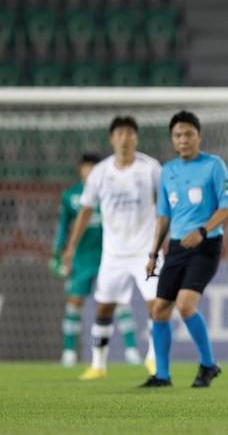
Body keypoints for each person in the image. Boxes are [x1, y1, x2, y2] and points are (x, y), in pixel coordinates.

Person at [141, 111, 228, 388]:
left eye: (188, 134)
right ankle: (162, 375)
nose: (183, 140)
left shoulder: (214, 165)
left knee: (184, 305)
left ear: (199, 136)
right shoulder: (167, 171)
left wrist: (203, 231)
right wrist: (152, 254)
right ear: (173, 140)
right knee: (159, 310)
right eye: (178, 135)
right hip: (176, 247)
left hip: (206, 245)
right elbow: (163, 216)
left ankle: (208, 365)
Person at [63, 116, 161, 380]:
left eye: (130, 134)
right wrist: (71, 246)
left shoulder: (150, 168)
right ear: (112, 139)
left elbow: (165, 206)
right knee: (104, 307)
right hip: (114, 253)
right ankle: (98, 364)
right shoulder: (100, 172)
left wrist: (164, 242)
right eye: (119, 134)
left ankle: (154, 359)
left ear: (136, 138)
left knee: (156, 305)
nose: (124, 139)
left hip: (145, 251)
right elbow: (85, 211)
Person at [50, 153, 141, 367]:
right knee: (74, 303)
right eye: (86, 167)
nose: (90, 171)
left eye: (94, 167)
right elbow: (63, 226)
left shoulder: (112, 192)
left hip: (108, 257)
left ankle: (131, 350)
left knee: (119, 303)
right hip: (81, 259)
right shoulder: (70, 195)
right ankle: (69, 353)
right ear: (80, 169)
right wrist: (59, 251)